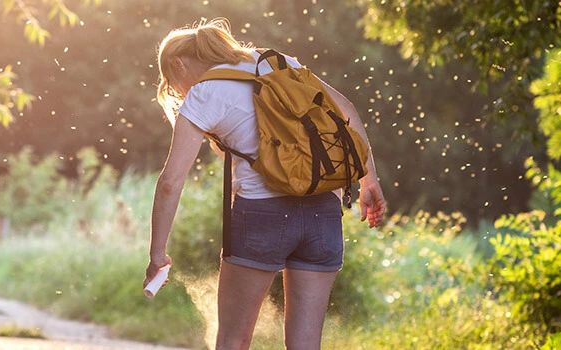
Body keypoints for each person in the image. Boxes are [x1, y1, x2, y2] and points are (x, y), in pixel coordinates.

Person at [143, 18, 387, 350]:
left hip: (261, 215)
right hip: (324, 214)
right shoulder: (280, 63)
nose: (179, 91)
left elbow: (171, 182)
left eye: (173, 83)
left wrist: (158, 253)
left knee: (233, 339)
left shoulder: (205, 92)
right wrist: (369, 179)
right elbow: (346, 109)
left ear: (177, 64)